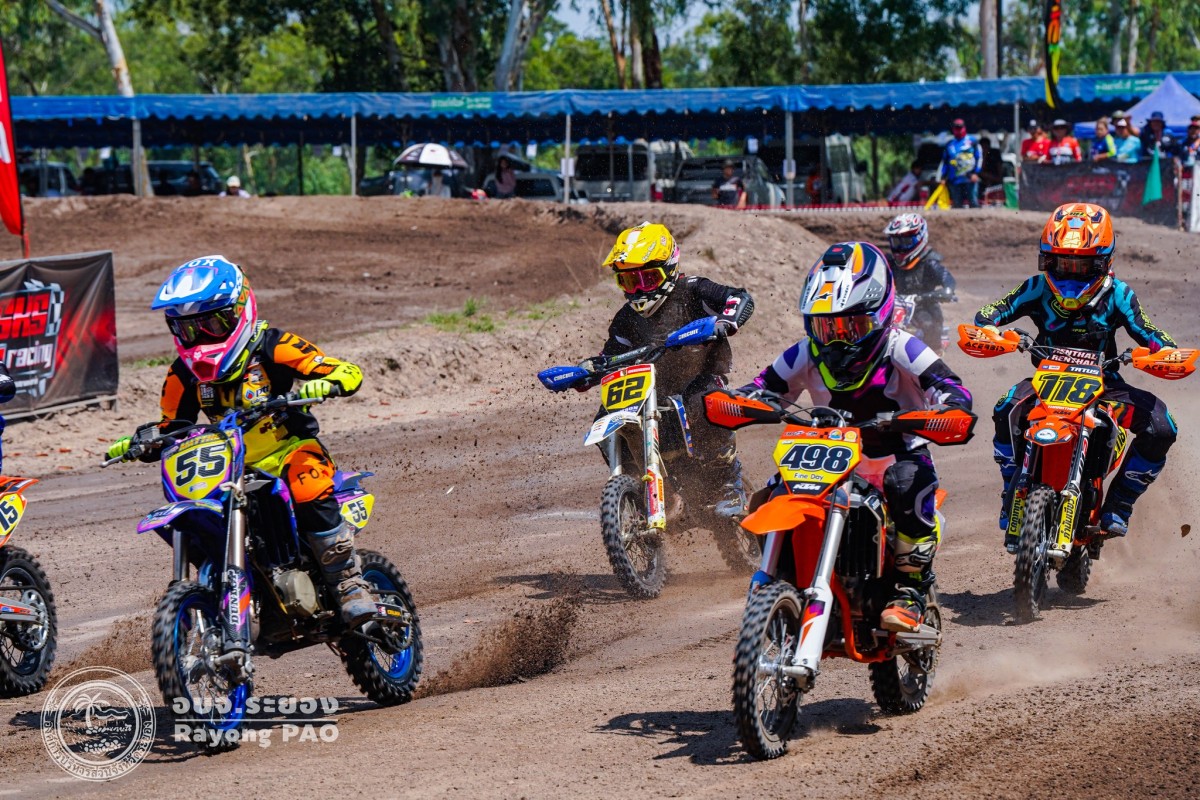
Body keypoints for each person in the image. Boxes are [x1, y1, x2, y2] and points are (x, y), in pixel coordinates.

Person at [105, 256, 375, 625]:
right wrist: (144, 440)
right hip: (228, 465)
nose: (201, 336)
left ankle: (348, 583)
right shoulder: (182, 373)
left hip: (288, 451)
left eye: (212, 323)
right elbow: (174, 424)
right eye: (189, 329)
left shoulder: (273, 344)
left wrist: (330, 381)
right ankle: (220, 590)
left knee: (307, 483)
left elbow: (337, 368)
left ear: (239, 310)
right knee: (195, 507)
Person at [740, 241, 972, 632]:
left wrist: (948, 409)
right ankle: (785, 580)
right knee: (772, 493)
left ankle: (910, 590)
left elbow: (949, 386)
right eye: (826, 327)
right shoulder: (806, 352)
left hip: (896, 453)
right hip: (828, 455)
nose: (837, 340)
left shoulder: (901, 346)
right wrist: (739, 401)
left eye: (852, 327)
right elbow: (763, 386)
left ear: (881, 314)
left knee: (906, 486)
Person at [976, 203, 1177, 546]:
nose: (1070, 274)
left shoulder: (1119, 294)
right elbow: (991, 312)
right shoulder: (1036, 287)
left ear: (1103, 262)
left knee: (1161, 426)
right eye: (1062, 263)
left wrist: (1165, 352)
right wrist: (991, 330)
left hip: (1104, 384)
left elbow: (1150, 332)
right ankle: (1012, 489)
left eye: (1081, 266)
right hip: (1046, 382)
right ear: (1047, 260)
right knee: (1004, 409)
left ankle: (1119, 505)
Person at [586, 222, 755, 519]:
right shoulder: (626, 318)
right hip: (652, 388)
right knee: (605, 415)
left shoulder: (693, 290)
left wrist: (726, 320)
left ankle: (729, 484)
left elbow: (739, 298)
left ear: (670, 269)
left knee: (703, 403)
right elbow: (611, 354)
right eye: (629, 281)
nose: (639, 290)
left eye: (648, 278)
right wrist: (590, 370)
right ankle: (641, 487)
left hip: (700, 378)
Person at [883, 213, 956, 352]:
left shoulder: (929, 262)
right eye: (896, 242)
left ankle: (934, 354)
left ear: (919, 238)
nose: (900, 248)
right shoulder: (889, 262)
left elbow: (948, 280)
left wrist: (947, 291)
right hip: (896, 304)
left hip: (924, 305)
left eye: (906, 242)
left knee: (929, 325)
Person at [939, 118, 982, 208]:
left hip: (970, 178)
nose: (958, 130)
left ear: (964, 127)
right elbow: (945, 162)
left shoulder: (972, 141)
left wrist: (976, 173)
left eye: (960, 127)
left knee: (974, 203)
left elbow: (979, 158)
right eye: (956, 128)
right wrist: (943, 177)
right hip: (955, 180)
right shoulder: (950, 144)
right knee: (957, 205)